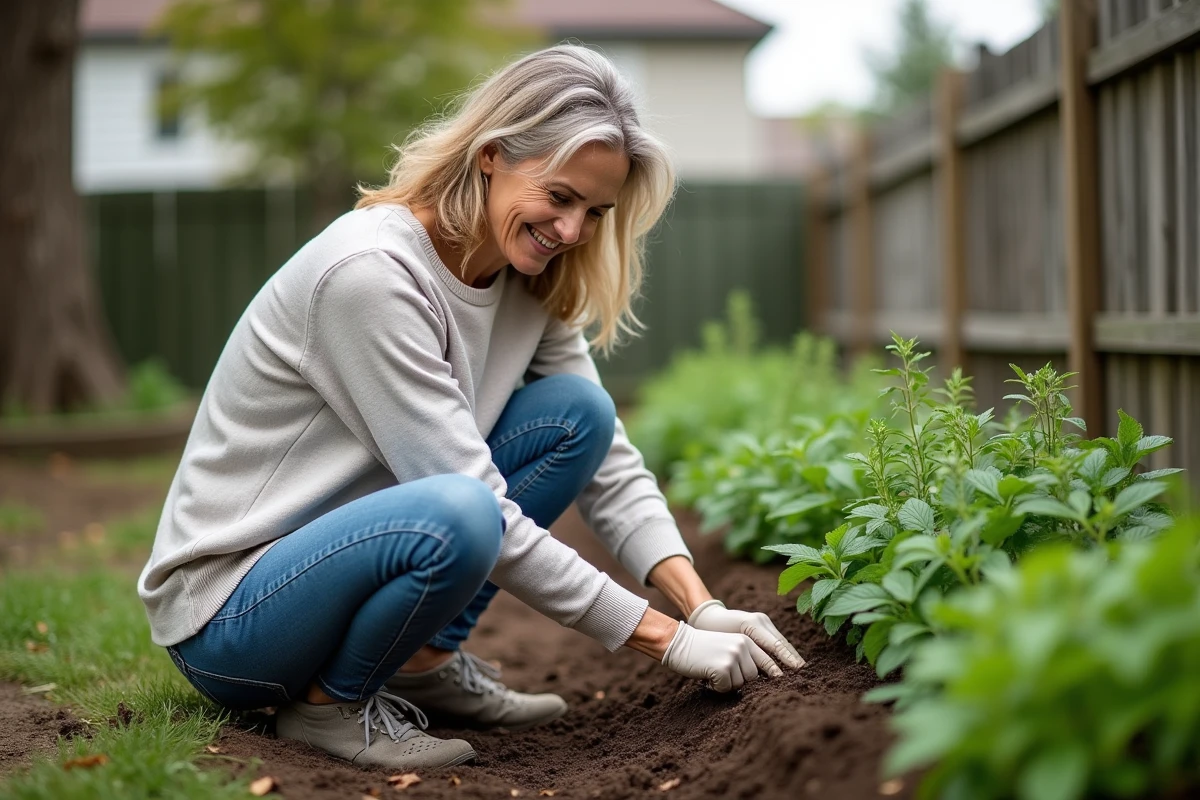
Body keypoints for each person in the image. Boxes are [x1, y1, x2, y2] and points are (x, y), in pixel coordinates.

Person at [138, 44, 805, 772]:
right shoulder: (372, 275)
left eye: (595, 210)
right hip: (235, 619)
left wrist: (700, 605)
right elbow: (476, 504)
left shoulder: (531, 277)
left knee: (575, 414)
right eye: (558, 196)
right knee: (461, 512)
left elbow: (606, 456)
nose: (573, 230)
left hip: (348, 559)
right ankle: (331, 709)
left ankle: (421, 663)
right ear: (492, 155)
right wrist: (665, 639)